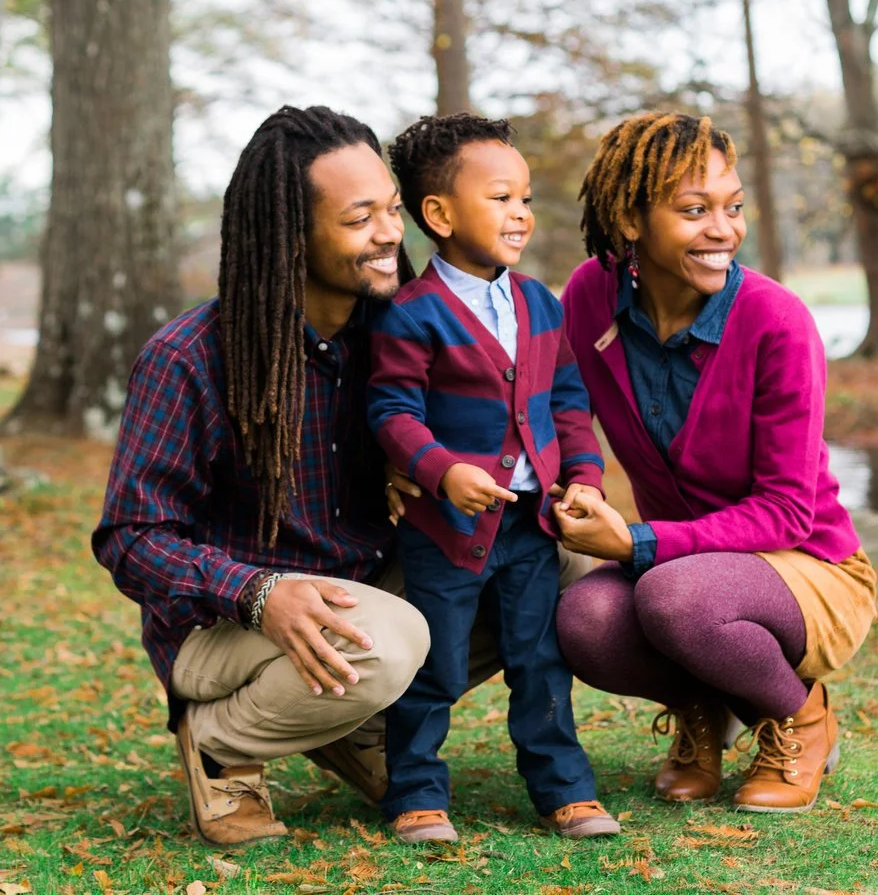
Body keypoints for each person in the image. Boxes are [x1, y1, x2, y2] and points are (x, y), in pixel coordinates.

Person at [92, 105, 589, 848]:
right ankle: (224, 741)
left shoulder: (391, 334)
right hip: (228, 624)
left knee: (562, 561)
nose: (392, 233)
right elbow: (130, 538)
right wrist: (257, 592)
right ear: (292, 235)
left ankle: (350, 719)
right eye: (362, 219)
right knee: (387, 642)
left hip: (360, 584)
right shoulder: (190, 357)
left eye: (392, 209)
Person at [551, 112, 878, 814]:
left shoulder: (775, 321)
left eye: (732, 208)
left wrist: (638, 541)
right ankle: (702, 706)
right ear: (631, 218)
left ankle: (802, 717)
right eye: (694, 211)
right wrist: (579, 481)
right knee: (583, 618)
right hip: (682, 568)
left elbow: (788, 510)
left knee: (674, 596)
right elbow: (562, 401)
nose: (723, 230)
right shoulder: (589, 295)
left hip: (807, 567)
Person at [371, 113, 618, 842]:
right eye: (501, 198)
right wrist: (442, 471)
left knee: (542, 660)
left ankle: (564, 787)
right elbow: (391, 409)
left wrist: (586, 477)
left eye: (526, 198)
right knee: (435, 664)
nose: (520, 213)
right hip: (443, 532)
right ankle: (415, 790)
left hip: (532, 527)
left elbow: (568, 402)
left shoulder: (540, 304)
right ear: (440, 215)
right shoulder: (411, 315)